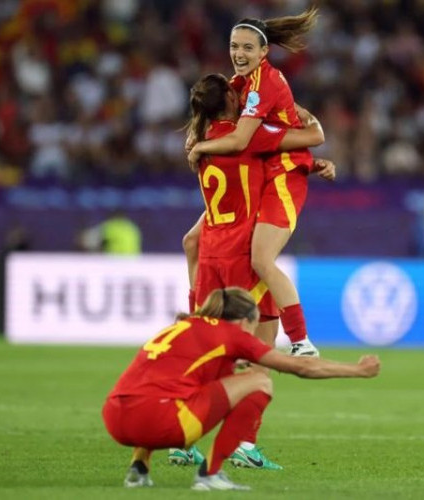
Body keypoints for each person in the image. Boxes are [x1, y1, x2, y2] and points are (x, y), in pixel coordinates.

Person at [169, 72, 331, 470]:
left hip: (213, 254)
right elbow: (286, 156)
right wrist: (310, 154)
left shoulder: (204, 143)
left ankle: (181, 438)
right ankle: (244, 444)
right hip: (244, 255)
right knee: (258, 358)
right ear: (229, 96)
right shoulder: (247, 138)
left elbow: (203, 224)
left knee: (209, 356)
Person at [102, 287, 381, 491]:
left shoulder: (182, 327)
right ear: (244, 320)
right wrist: (358, 370)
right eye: (254, 325)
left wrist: (227, 368)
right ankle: (210, 474)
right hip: (160, 423)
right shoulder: (232, 334)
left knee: (158, 389)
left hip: (115, 420)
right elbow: (300, 366)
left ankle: (139, 468)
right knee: (260, 381)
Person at [186, 7, 323, 357]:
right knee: (194, 241)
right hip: (264, 167)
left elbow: (242, 140)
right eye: (234, 46)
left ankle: (301, 341)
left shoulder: (263, 84)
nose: (239, 54)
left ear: (264, 52)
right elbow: (213, 101)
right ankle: (201, 326)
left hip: (284, 174)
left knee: (261, 259)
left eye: (247, 48)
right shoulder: (241, 82)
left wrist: (200, 145)